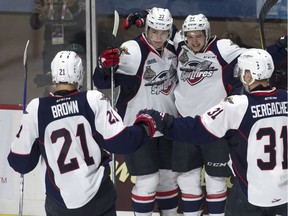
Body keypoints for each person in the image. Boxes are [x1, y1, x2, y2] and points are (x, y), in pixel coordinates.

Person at [7, 50, 158, 216]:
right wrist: (146, 125)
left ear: (53, 74)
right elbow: (121, 142)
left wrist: (36, 141)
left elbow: (21, 163)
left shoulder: (36, 108)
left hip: (59, 205)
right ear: (79, 74)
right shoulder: (92, 100)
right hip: (99, 200)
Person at [140, 48, 288, 216]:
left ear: (249, 75)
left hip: (251, 194)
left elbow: (197, 130)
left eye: (242, 72)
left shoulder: (238, 106)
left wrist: (162, 121)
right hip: (284, 193)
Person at [93, 7, 179, 216]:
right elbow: (101, 81)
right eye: (154, 32)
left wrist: (145, 11)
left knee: (168, 180)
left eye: (164, 33)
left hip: (167, 126)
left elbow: (177, 32)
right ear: (146, 29)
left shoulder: (174, 48)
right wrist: (105, 66)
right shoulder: (132, 50)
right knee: (148, 181)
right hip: (139, 127)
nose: (158, 38)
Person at [171, 14, 246, 216]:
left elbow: (255, 56)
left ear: (208, 34)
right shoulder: (180, 45)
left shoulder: (223, 48)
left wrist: (280, 47)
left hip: (215, 126)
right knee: (187, 181)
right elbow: (164, 25)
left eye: (199, 36)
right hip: (185, 125)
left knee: (216, 182)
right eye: (190, 36)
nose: (194, 41)